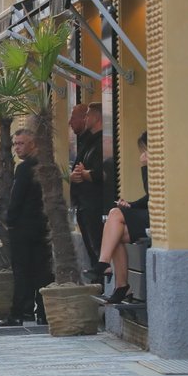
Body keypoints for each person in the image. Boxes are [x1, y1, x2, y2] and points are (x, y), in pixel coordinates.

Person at [0, 128, 52, 326]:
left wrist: (9, 221)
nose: (17, 148)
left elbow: (17, 199)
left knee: (22, 271)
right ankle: (43, 312)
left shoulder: (24, 168)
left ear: (33, 144)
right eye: (15, 144)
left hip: (24, 227)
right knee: (42, 270)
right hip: (42, 227)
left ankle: (20, 312)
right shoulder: (47, 165)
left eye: (21, 143)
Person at [86, 132, 149, 304]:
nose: (142, 154)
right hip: (151, 214)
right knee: (115, 229)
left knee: (114, 217)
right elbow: (150, 197)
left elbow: (155, 194)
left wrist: (145, 167)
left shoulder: (162, 168)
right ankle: (121, 285)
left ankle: (104, 264)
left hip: (161, 218)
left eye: (145, 150)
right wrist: (131, 205)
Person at [70, 103, 105, 264]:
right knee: (91, 248)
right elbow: (79, 167)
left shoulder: (103, 143)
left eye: (88, 116)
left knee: (98, 246)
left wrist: (84, 174)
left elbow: (102, 173)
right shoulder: (87, 142)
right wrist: (76, 174)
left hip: (95, 204)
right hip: (83, 204)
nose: (85, 119)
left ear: (97, 117)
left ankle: (102, 277)